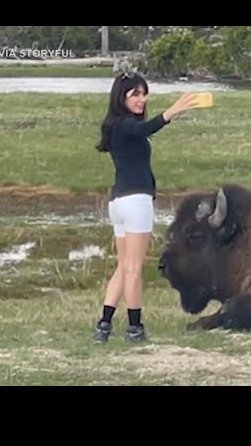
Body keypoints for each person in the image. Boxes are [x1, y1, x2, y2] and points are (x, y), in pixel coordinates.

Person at [93, 71, 199, 343]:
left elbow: (141, 130)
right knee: (133, 268)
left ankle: (104, 325)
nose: (142, 99)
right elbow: (144, 128)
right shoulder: (125, 125)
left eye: (143, 93)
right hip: (135, 202)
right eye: (135, 94)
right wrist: (172, 111)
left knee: (123, 266)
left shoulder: (115, 125)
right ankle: (134, 328)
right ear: (122, 97)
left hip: (118, 203)